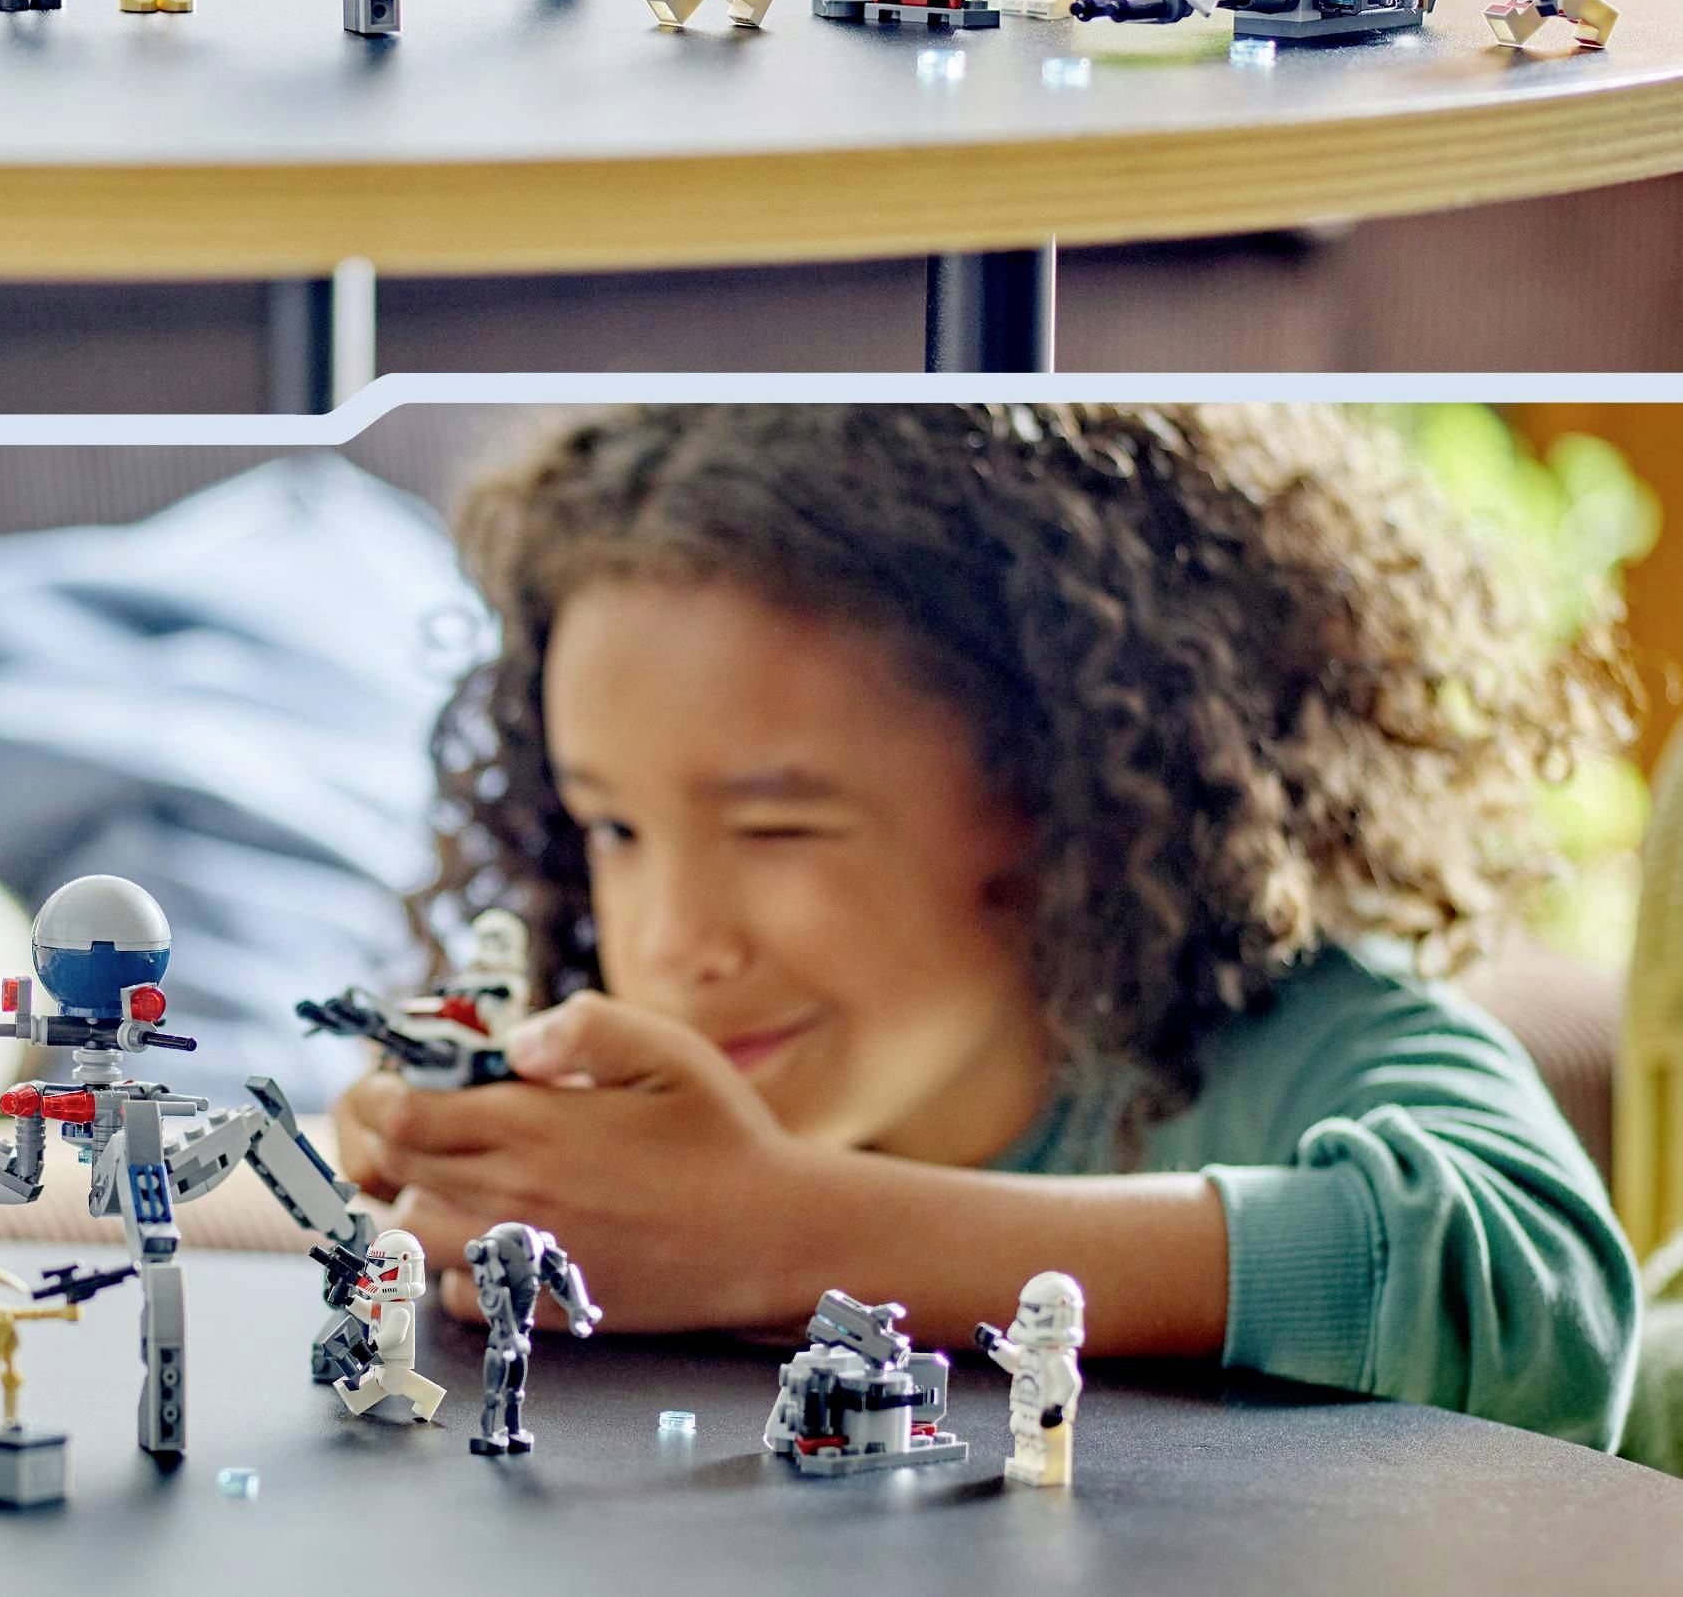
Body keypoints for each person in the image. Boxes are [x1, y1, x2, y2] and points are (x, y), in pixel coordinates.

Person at [333, 405, 1644, 1449]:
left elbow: (1542, 1303)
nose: (675, 942)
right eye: (614, 830)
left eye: (780, 828)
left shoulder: (1293, 1047)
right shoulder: (660, 1076)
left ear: (1054, 789)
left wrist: (777, 1232)